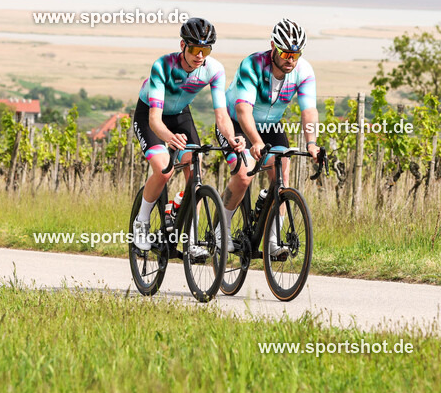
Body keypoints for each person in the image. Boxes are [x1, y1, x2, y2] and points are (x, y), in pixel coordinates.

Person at [131, 17, 244, 257]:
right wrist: (169, 138)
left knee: (196, 172)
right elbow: (154, 120)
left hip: (181, 114)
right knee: (164, 169)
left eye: (206, 49)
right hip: (151, 115)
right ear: (183, 45)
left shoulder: (214, 70)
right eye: (194, 49)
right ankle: (141, 222)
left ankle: (190, 238)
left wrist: (233, 139)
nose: (200, 55)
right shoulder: (163, 66)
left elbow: (222, 116)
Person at [217, 18, 320, 256]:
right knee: (244, 175)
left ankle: (273, 242)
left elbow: (309, 111)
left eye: (296, 54)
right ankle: (222, 230)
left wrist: (312, 143)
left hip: (271, 126)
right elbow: (243, 110)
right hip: (237, 123)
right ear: (273, 46)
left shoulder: (303, 71)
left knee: (282, 175)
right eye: (285, 53)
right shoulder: (252, 65)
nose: (290, 60)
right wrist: (255, 142)